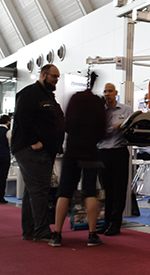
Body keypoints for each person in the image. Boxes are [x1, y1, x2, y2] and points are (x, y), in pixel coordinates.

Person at [49, 72, 106, 247]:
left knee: (64, 191)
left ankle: (57, 234)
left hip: (73, 149)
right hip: (91, 151)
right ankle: (92, 235)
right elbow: (102, 129)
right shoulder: (97, 102)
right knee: (90, 191)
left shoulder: (75, 98)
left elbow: (66, 124)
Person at [12, 64, 65, 242]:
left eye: (57, 77)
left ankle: (30, 229)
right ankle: (40, 229)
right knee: (40, 190)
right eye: (53, 76)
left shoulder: (48, 96)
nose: (56, 80)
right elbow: (22, 117)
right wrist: (34, 141)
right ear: (43, 74)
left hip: (44, 150)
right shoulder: (30, 93)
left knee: (33, 190)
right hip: (32, 150)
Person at [97, 83, 133, 236]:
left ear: (116, 93)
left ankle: (115, 223)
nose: (107, 94)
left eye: (110, 91)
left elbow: (132, 129)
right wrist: (114, 128)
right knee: (106, 190)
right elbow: (97, 132)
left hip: (119, 152)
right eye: (105, 91)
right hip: (103, 153)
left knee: (119, 189)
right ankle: (106, 222)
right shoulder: (99, 111)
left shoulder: (126, 110)